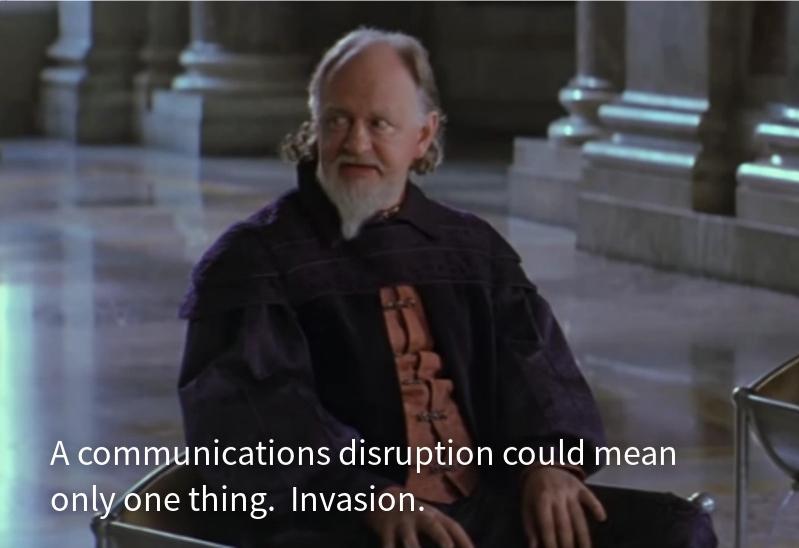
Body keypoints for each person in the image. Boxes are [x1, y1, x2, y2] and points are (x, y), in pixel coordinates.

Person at [177, 28, 717, 548]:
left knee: (676, 530)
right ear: (314, 128)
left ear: (423, 136)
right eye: (337, 120)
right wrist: (364, 494)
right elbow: (249, 412)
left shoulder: (470, 247)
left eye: (379, 123)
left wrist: (548, 464)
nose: (356, 143)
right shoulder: (253, 260)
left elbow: (534, 368)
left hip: (487, 505)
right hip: (346, 520)